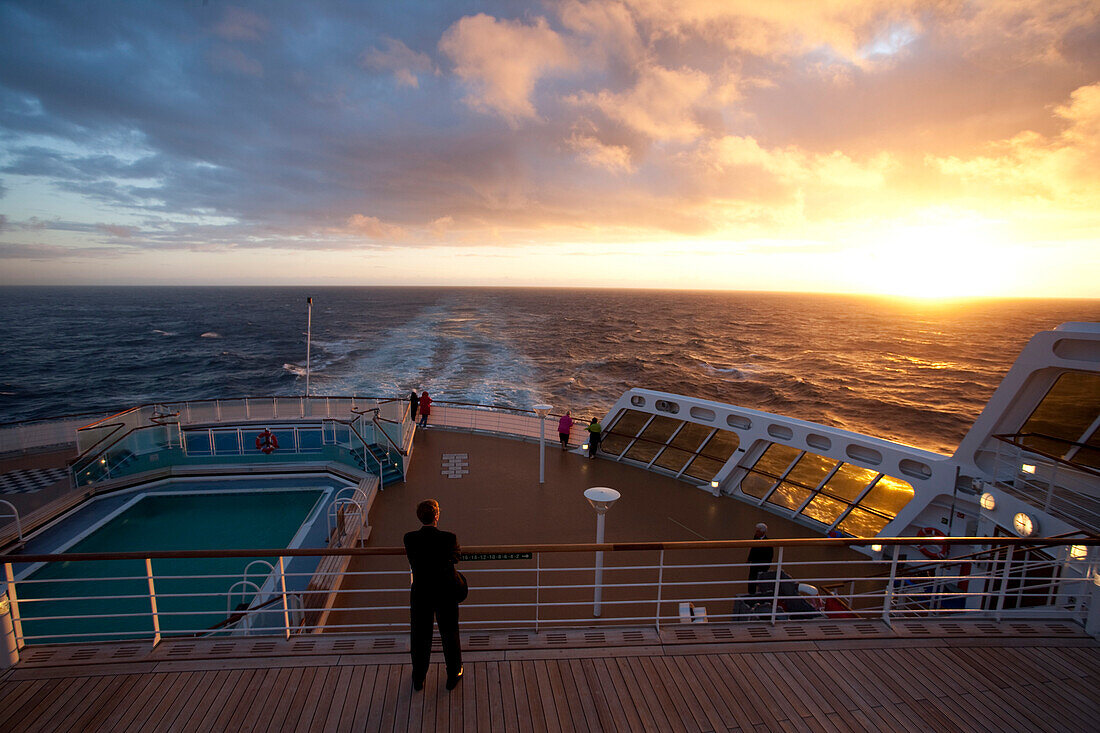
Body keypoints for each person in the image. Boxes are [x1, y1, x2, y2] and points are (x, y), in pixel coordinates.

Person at [403, 499, 463, 691]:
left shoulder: (409, 538)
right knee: (449, 633)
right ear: (437, 516)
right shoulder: (449, 538)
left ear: (419, 517)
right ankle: (453, 673)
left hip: (421, 591)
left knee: (420, 635)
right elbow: (456, 557)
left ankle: (419, 676)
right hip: (445, 591)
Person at [746, 523, 773, 595]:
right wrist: (749, 559)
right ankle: (751, 593)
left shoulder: (768, 542)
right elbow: (753, 549)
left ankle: (760, 594)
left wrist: (767, 565)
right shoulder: (755, 538)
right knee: (752, 579)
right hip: (754, 562)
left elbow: (770, 555)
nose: (756, 532)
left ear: (762, 532)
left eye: (758, 531)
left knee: (760, 580)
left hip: (762, 564)